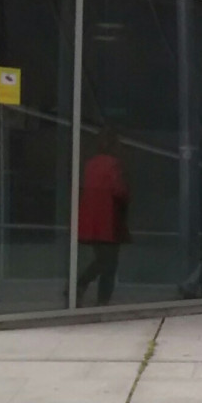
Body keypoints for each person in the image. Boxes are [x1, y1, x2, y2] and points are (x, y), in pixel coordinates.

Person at [75, 128, 129, 306]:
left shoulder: (90, 163)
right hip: (108, 219)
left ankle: (82, 286)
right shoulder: (114, 164)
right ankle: (98, 295)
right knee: (109, 262)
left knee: (102, 259)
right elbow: (119, 190)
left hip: (92, 220)